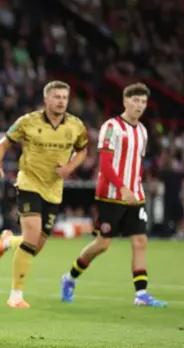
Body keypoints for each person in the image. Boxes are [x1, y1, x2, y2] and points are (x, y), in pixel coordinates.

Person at [60, 83, 167, 307]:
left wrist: (139, 185)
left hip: (135, 195)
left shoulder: (143, 131)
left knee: (140, 241)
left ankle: (141, 294)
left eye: (143, 102)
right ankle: (70, 278)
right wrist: (122, 187)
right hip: (111, 195)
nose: (139, 106)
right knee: (102, 245)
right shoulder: (111, 127)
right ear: (125, 101)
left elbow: (136, 164)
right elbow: (106, 164)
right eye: (135, 101)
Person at [0, 81, 89, 308]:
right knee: (31, 238)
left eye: (64, 97)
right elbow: (3, 143)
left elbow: (83, 150)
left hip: (54, 190)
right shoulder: (28, 121)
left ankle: (8, 241)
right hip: (29, 183)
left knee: (35, 245)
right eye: (57, 97)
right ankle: (15, 295)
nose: (61, 101)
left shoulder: (75, 125)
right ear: (47, 99)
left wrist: (71, 167)